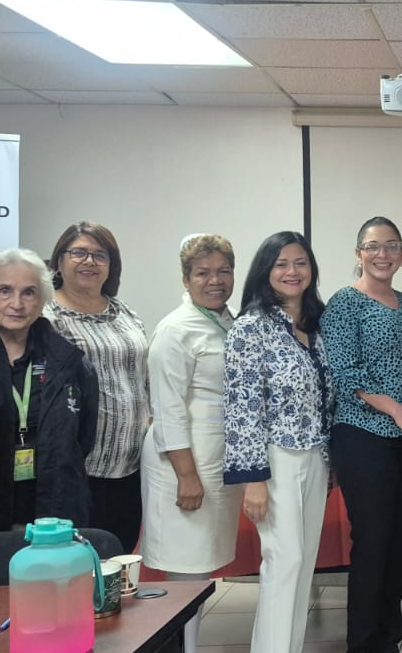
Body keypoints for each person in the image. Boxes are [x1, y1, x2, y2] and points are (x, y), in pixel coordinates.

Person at [320, 217, 402, 653]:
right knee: (373, 541)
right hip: (363, 435)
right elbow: (346, 372)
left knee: (401, 542)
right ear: (359, 254)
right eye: (372, 246)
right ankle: (365, 643)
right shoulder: (344, 303)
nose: (382, 254)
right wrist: (397, 411)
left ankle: (388, 639)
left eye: (391, 246)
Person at [224, 231, 334, 653]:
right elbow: (242, 407)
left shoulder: (317, 325)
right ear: (265, 271)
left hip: (316, 456)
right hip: (275, 460)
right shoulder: (250, 328)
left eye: (300, 262)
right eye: (281, 264)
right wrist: (253, 480)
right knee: (284, 562)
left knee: (303, 565)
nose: (292, 271)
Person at [142, 234, 243, 653]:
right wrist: (187, 476)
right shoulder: (176, 330)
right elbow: (167, 410)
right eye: (203, 273)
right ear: (186, 279)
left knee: (201, 568)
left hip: (216, 460)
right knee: (185, 572)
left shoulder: (227, 321)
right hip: (183, 464)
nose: (214, 281)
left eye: (223, 271)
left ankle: (188, 646)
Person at [0, 248, 98, 533]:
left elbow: (83, 437)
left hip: (53, 505)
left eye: (29, 293)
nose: (17, 304)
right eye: (5, 291)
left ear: (42, 302)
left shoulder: (68, 360)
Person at [45, 221, 149, 553]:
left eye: (100, 255)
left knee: (119, 555)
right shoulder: (47, 317)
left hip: (131, 466)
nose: (89, 261)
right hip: (79, 469)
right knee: (80, 560)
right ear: (59, 261)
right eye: (78, 253)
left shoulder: (124, 312)